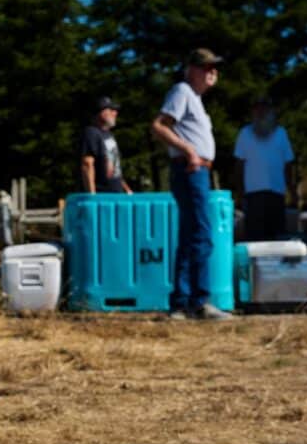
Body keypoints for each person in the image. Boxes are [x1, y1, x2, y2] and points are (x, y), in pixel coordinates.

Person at [150, 48, 233, 320]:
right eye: (207, 67)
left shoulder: (194, 98)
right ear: (192, 69)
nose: (213, 72)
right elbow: (160, 126)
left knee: (190, 235)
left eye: (215, 68)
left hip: (196, 170)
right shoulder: (183, 92)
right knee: (201, 232)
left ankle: (183, 302)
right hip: (191, 169)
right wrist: (189, 151)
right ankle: (199, 301)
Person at [234, 96, 296, 241]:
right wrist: (239, 192)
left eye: (265, 109)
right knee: (255, 237)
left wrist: (292, 191)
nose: (261, 112)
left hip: (276, 194)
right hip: (253, 194)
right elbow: (239, 164)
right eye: (257, 109)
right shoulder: (245, 133)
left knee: (277, 236)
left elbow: (288, 163)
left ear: (271, 111)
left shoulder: (281, 133)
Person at [80, 96, 132, 194]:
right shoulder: (91, 132)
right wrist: (92, 196)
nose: (115, 113)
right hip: (102, 195)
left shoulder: (108, 134)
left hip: (116, 193)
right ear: (102, 112)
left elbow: (115, 168)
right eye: (112, 110)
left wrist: (127, 189)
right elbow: (87, 164)